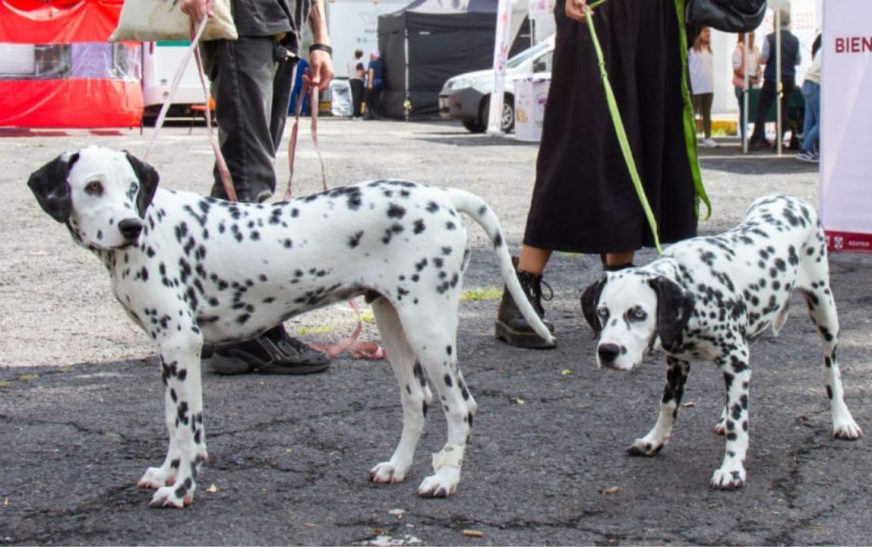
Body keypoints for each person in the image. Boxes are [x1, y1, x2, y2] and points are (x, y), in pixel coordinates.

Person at [494, 0, 706, 348]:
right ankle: (522, 287)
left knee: (642, 146)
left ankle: (617, 291)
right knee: (579, 144)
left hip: (659, 18)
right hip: (597, 12)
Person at [181, 0, 336, 374]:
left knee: (239, 180)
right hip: (243, 26)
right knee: (249, 179)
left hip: (282, 29)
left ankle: (212, 322)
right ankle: (249, 334)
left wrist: (320, 41)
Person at [748, 10, 800, 150]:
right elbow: (798, 60)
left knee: (762, 109)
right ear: (788, 22)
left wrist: (759, 59)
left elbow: (764, 57)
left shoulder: (770, 38)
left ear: (774, 22)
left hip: (772, 78)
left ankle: (756, 139)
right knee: (783, 110)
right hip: (789, 78)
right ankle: (779, 140)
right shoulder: (795, 40)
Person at [689, 26, 717, 148]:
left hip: (708, 86)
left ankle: (708, 137)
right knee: (693, 113)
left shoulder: (708, 50)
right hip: (696, 86)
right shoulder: (692, 51)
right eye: (705, 31)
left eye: (709, 32)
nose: (708, 34)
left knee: (707, 113)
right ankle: (691, 136)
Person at [731, 32, 761, 142]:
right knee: (744, 110)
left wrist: (758, 76)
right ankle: (744, 137)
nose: (752, 38)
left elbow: (758, 66)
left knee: (755, 110)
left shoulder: (756, 49)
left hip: (754, 82)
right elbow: (737, 69)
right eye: (750, 36)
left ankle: (756, 137)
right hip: (742, 84)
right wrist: (749, 78)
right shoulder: (739, 50)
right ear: (744, 37)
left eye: (753, 36)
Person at [797, 35, 821, 163]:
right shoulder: (830, 50)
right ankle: (806, 149)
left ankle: (807, 150)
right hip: (815, 84)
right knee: (823, 122)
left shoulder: (821, 49)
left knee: (810, 120)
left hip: (807, 82)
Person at [364, 50, 385, 120]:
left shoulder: (372, 63)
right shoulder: (381, 63)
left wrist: (370, 83)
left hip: (374, 82)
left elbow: (371, 73)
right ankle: (378, 114)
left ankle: (369, 114)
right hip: (380, 82)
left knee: (368, 98)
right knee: (377, 98)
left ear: (373, 55)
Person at [347, 48, 365, 118]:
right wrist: (365, 73)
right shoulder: (359, 63)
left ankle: (354, 112)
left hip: (351, 80)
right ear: (361, 55)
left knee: (354, 97)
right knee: (358, 98)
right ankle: (357, 114)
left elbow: (348, 70)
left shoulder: (349, 61)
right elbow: (360, 73)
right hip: (358, 80)